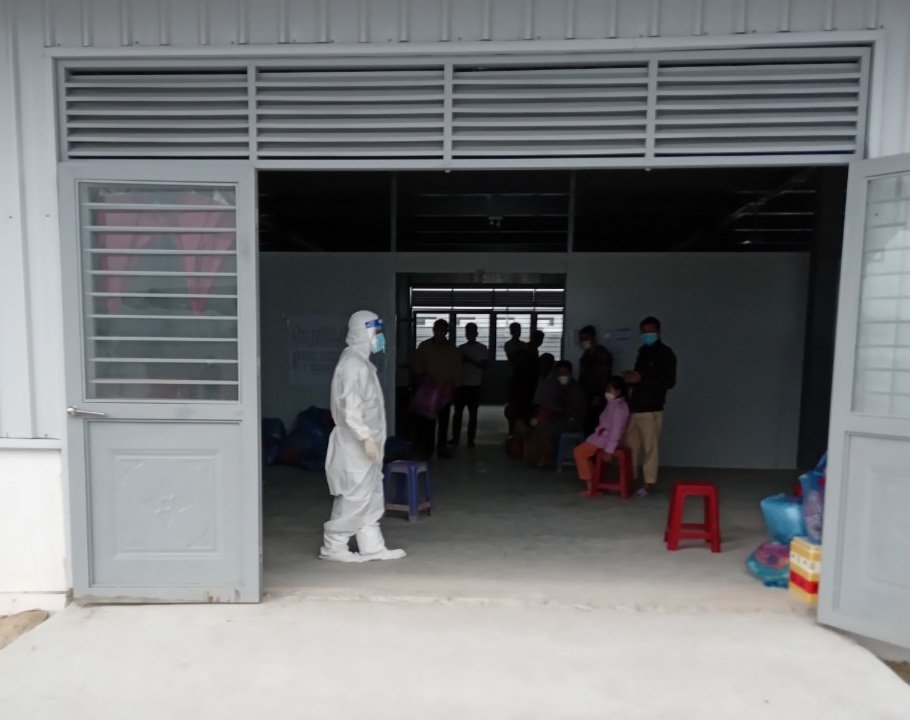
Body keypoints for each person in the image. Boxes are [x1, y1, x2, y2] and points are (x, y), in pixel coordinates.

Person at [320, 310, 406, 563]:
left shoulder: (362, 363)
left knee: (371, 494)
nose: (380, 336)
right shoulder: (353, 365)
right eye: (375, 331)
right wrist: (365, 437)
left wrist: (372, 440)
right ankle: (334, 546)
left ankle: (372, 546)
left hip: (368, 444)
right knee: (354, 496)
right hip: (355, 444)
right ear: (362, 333)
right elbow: (351, 408)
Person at [623, 316, 677, 497]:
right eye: (644, 332)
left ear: (658, 331)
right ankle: (629, 480)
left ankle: (648, 483)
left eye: (650, 331)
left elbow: (669, 382)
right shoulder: (642, 352)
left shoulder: (666, 354)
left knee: (650, 448)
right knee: (631, 447)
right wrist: (631, 379)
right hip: (636, 406)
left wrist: (643, 379)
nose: (647, 335)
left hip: (652, 407)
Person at [523, 360, 585, 468]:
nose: (562, 376)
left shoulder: (576, 390)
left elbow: (571, 412)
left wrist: (555, 412)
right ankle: (534, 458)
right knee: (538, 427)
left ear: (570, 373)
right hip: (559, 418)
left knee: (548, 432)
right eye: (559, 374)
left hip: (572, 422)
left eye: (564, 373)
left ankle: (547, 460)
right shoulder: (559, 387)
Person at [413, 318, 461, 459]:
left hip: (446, 388)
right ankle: (428, 448)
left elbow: (457, 368)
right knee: (428, 420)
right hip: (429, 388)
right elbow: (416, 363)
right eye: (437, 329)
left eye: (442, 329)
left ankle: (442, 448)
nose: (439, 331)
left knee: (444, 421)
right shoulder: (424, 346)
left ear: (446, 331)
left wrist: (456, 386)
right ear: (433, 330)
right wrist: (422, 375)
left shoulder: (452, 349)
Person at [573, 376, 631, 486]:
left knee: (579, 452)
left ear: (618, 391)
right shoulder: (614, 405)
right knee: (583, 453)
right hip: (601, 437)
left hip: (604, 440)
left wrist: (609, 450)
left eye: (609, 390)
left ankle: (590, 482)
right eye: (606, 390)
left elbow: (616, 431)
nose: (606, 393)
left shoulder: (618, 409)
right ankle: (592, 480)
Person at [451, 322, 488, 448]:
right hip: (461, 384)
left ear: (476, 333)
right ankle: (456, 438)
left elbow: (484, 366)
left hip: (474, 385)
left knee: (472, 414)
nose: (470, 334)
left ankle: (470, 439)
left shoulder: (482, 348)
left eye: (472, 332)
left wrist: (469, 360)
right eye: (468, 332)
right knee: (458, 414)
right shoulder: (461, 349)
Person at [577, 325, 614, 435]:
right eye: (582, 339)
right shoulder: (585, 356)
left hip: (599, 396)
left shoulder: (602, 355)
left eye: (586, 338)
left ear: (593, 338)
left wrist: (597, 394)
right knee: (587, 426)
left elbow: (604, 377)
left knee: (597, 425)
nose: (584, 341)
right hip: (586, 395)